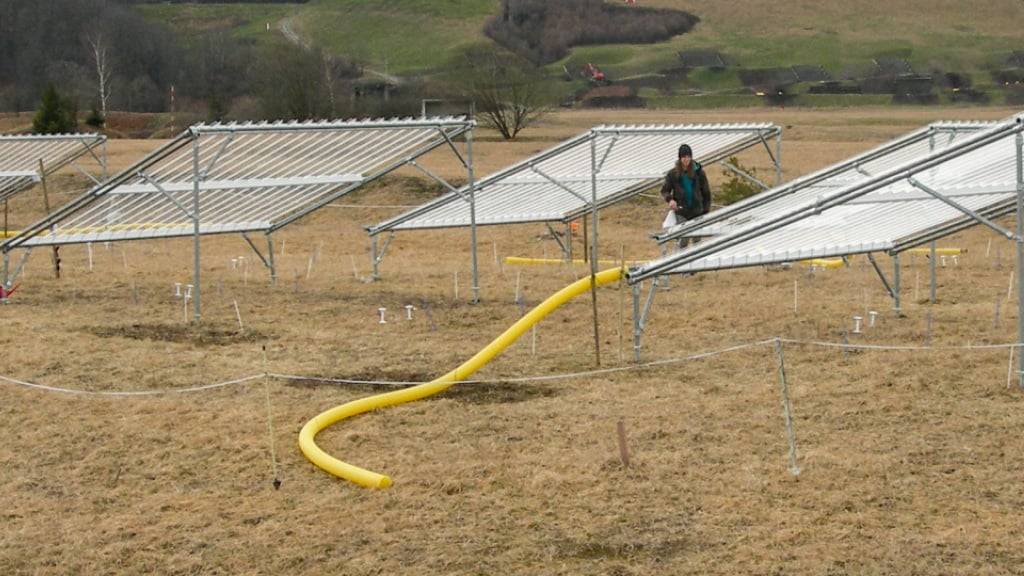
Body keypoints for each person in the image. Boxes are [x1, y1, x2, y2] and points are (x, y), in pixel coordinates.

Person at [660, 143, 711, 237]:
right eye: (684, 157)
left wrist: (705, 210)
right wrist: (670, 200)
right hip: (681, 211)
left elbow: (706, 192)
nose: (686, 159)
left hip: (697, 211)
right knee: (684, 237)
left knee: (697, 237)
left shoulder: (699, 173)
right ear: (680, 158)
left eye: (688, 157)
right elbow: (664, 190)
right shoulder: (673, 174)